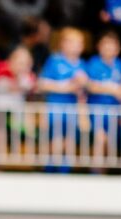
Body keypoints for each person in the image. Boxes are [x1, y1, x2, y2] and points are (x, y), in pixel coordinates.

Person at [38, 27, 88, 171]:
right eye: (71, 42)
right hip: (55, 108)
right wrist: (67, 87)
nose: (75, 46)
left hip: (73, 110)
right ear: (62, 43)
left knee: (70, 142)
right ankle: (50, 172)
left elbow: (83, 91)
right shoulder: (54, 60)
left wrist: (83, 84)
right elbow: (43, 84)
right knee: (56, 141)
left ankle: (64, 172)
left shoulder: (82, 64)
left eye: (78, 43)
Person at [84, 30, 121, 164]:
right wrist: (113, 89)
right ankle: (96, 171)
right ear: (99, 46)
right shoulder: (93, 63)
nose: (108, 48)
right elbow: (90, 86)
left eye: (112, 45)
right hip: (97, 111)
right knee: (100, 139)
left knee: (111, 143)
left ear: (118, 48)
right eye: (105, 44)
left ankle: (108, 172)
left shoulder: (120, 65)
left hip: (116, 112)